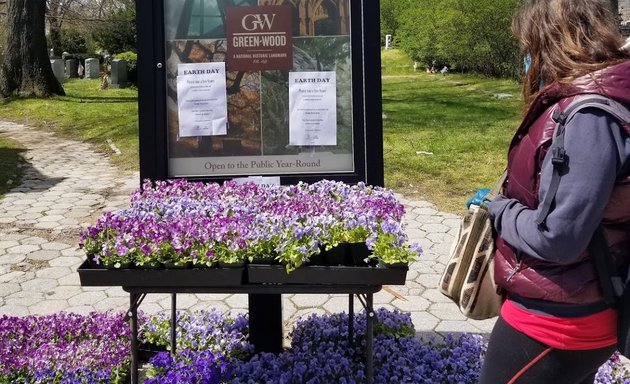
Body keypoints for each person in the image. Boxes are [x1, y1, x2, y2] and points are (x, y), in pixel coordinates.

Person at [477, 1, 630, 383]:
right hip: (578, 308)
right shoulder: (600, 99)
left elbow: (559, 238)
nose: (526, 57)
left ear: (550, 40)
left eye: (528, 45)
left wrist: (499, 209)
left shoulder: (589, 116)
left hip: (553, 323)